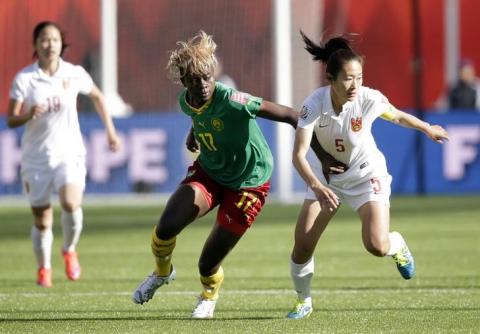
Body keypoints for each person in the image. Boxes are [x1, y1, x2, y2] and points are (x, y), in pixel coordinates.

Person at [131, 30, 343, 319]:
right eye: (195, 80)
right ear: (184, 82)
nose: (203, 85)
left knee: (207, 264)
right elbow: (201, 113)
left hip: (248, 184)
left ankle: (209, 294)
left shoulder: (233, 99)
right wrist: (194, 132)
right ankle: (162, 273)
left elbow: (294, 116)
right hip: (210, 172)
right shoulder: (186, 101)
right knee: (166, 227)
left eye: (207, 77)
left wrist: (323, 156)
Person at [285, 32, 449, 319]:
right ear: (331, 79)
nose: (355, 85)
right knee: (302, 247)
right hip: (326, 181)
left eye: (359, 77)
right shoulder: (313, 104)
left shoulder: (368, 98)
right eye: (348, 78)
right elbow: (298, 155)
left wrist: (427, 128)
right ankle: (303, 301)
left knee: (376, 245)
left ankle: (396, 242)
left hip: (365, 175)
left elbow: (396, 115)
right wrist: (316, 185)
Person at [6, 21, 121, 288]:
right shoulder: (25, 79)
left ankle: (69, 249)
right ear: (35, 45)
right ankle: (43, 268)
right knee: (42, 219)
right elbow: (11, 119)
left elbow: (98, 97)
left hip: (69, 152)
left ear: (62, 44)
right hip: (36, 158)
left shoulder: (74, 74)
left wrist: (111, 132)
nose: (50, 44)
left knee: (71, 203)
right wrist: (27, 115)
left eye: (55, 39)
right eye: (44, 39)